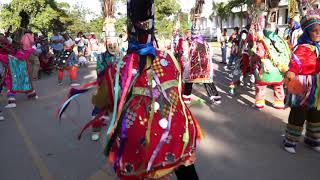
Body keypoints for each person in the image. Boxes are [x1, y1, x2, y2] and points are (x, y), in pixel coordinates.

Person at [283, 13, 320, 154]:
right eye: (314, 30)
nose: (318, 33)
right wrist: (290, 73)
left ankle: (312, 139)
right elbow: (295, 63)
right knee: (299, 113)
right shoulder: (302, 48)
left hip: (316, 85)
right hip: (302, 85)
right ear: (307, 31)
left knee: (315, 113)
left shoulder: (318, 47)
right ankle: (290, 140)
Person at [252, 23, 290, 110]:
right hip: (280, 69)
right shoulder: (281, 40)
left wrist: (253, 59)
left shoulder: (262, 41)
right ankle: (279, 103)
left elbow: (260, 54)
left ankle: (260, 103)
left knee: (261, 86)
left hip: (266, 68)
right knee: (278, 86)